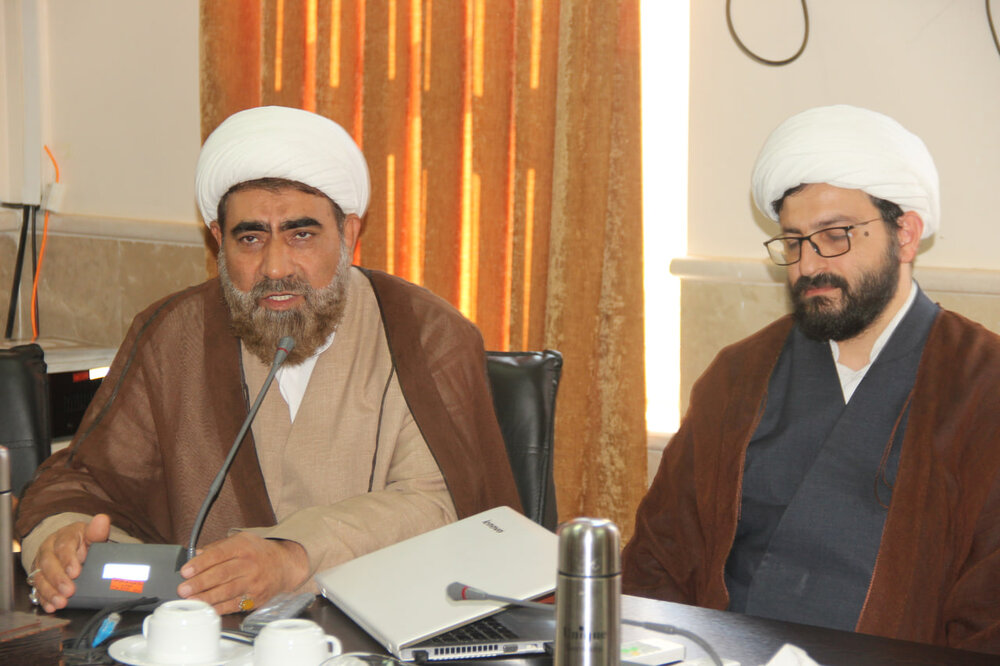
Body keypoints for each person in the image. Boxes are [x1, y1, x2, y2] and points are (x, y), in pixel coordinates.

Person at [15, 106, 521, 615]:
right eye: (251, 238)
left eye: (302, 235)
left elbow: (441, 503)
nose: (275, 267)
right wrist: (63, 541)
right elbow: (89, 482)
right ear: (219, 240)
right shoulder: (173, 334)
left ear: (348, 234)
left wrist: (293, 556)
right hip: (210, 637)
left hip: (380, 629)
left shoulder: (424, 333)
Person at [622, 105, 1000, 654]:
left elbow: (989, 610)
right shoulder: (737, 377)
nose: (808, 265)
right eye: (794, 241)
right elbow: (659, 559)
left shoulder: (984, 386)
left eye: (835, 235)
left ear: (906, 235)